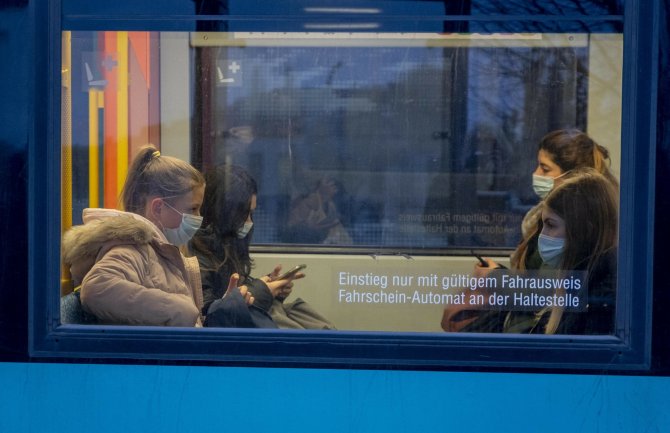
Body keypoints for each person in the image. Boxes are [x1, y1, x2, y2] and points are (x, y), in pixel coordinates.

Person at [445, 168, 618, 334]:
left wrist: (494, 276)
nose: (543, 236)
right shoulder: (575, 280)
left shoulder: (598, 296)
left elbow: (538, 297)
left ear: (583, 231)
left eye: (550, 225)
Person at [62, 146, 213, 326]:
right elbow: (97, 288)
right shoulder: (133, 248)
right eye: (192, 209)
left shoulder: (161, 249)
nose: (197, 218)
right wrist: (178, 310)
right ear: (158, 208)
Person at [189, 164, 335, 329]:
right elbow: (210, 318)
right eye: (243, 214)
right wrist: (263, 291)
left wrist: (271, 290)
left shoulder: (225, 248)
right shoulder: (194, 258)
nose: (249, 222)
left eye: (251, 214)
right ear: (223, 213)